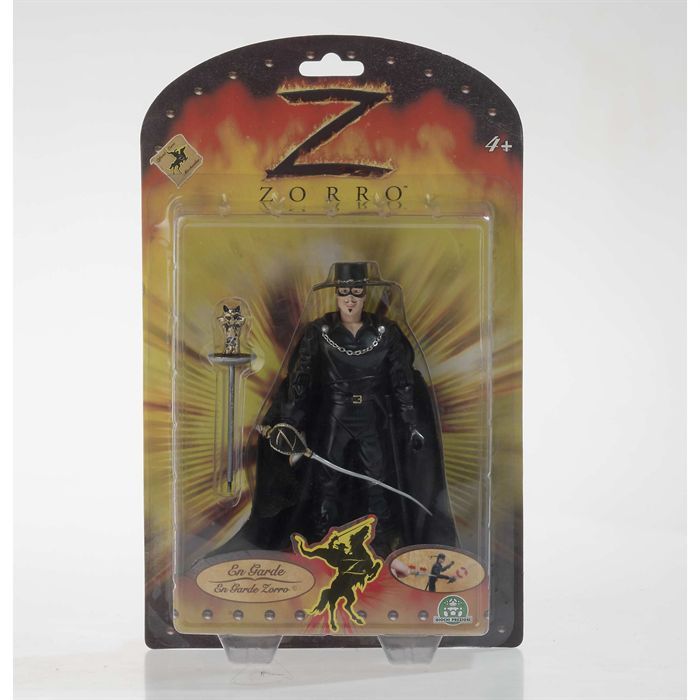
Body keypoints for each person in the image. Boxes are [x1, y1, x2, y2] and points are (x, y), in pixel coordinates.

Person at [213, 262, 457, 557]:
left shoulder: (386, 332)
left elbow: (402, 381)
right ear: (337, 295)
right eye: (344, 293)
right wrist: (288, 423)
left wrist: (411, 423)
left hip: (373, 418)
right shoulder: (320, 331)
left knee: (377, 480)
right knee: (327, 481)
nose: (350, 300)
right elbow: (300, 381)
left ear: (364, 295)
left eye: (356, 293)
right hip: (335, 416)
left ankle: (380, 543)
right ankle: (322, 539)